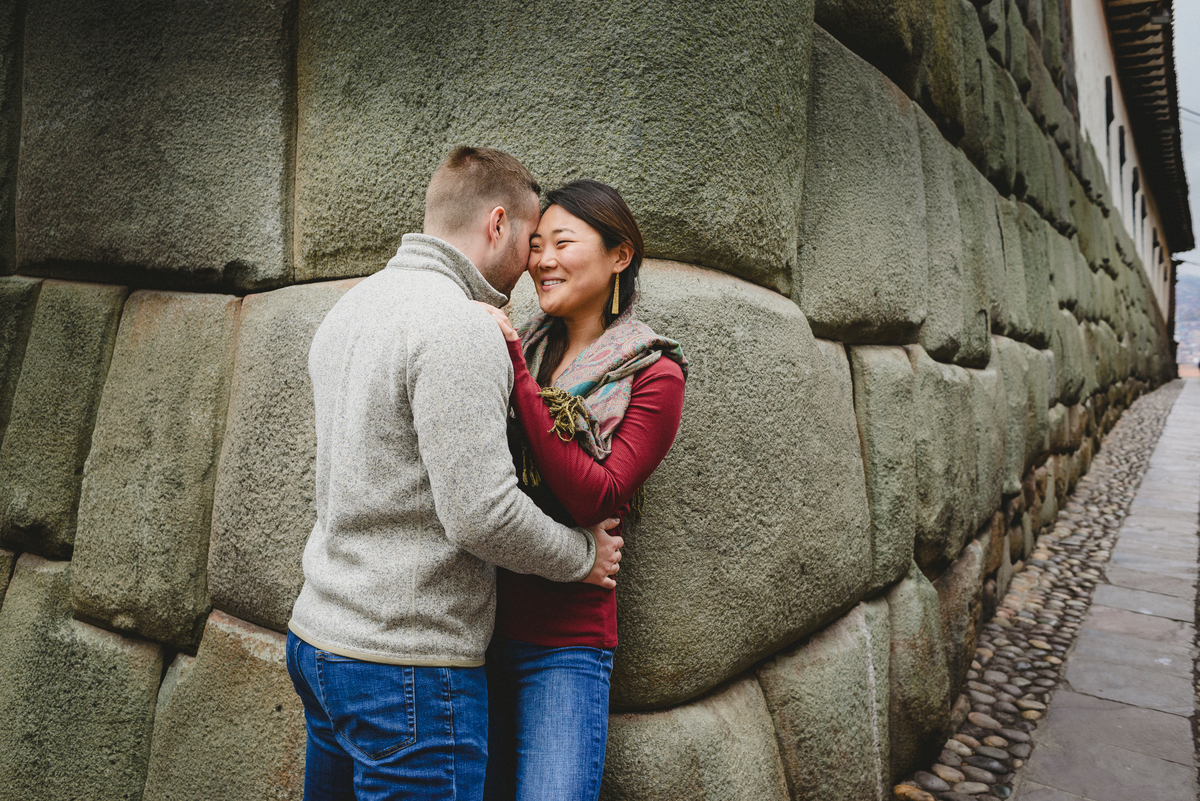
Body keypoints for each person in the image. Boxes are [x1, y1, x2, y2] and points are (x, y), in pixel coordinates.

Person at [285, 148, 625, 801]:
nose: (534, 264)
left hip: (319, 641)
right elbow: (482, 512)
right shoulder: (459, 325)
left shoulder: (349, 309)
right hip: (405, 666)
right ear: (497, 224)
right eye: (530, 242)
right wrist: (582, 556)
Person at [476, 180, 687, 801]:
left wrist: (515, 369)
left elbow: (595, 496)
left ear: (619, 255)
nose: (542, 259)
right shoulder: (529, 346)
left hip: (563, 647)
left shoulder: (654, 373)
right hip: (474, 628)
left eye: (562, 242)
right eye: (535, 244)